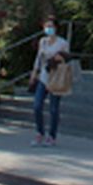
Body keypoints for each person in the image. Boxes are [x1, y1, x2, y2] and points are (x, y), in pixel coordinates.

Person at [28, 15, 70, 146]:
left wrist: (57, 58)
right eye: (46, 26)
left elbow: (66, 59)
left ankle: (52, 136)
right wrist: (34, 72)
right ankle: (40, 132)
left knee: (53, 109)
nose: (48, 29)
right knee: (37, 106)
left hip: (56, 77)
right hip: (43, 77)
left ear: (56, 28)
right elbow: (39, 58)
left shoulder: (62, 43)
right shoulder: (43, 41)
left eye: (51, 26)